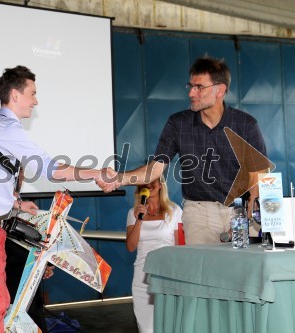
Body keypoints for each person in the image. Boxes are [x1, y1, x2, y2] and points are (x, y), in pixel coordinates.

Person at [0, 65, 105, 333]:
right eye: (32, 93)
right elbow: (52, 169)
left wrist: (17, 204)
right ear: (15, 95)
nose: (36, 100)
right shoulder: (6, 128)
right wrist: (96, 172)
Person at [98, 56, 269, 245]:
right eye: (191, 86)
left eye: (200, 87)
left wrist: (247, 215)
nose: (191, 93)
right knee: (203, 272)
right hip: (199, 211)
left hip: (240, 209)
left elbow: (259, 176)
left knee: (242, 271)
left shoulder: (246, 124)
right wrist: (119, 178)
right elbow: (155, 169)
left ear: (220, 89)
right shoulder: (178, 123)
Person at [126, 176, 182, 333]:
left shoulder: (175, 211)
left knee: (169, 323)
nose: (148, 184)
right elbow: (130, 247)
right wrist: (139, 220)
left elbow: (180, 247)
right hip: (142, 275)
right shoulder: (133, 213)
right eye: (144, 182)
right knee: (146, 327)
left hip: (167, 273)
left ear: (160, 185)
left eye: (152, 181)